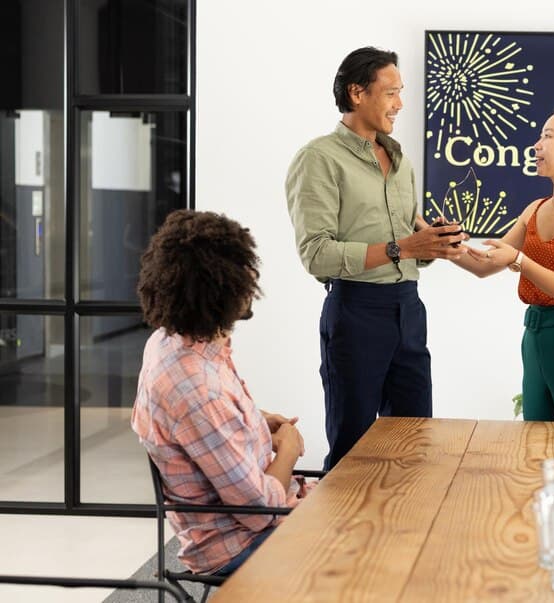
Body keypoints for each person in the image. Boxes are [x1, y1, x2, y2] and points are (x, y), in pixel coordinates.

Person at [285, 46, 466, 469]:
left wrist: (432, 243)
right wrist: (404, 247)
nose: (400, 103)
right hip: (356, 312)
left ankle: (404, 514)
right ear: (357, 93)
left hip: (409, 309)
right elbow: (316, 254)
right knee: (352, 449)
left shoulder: (402, 163)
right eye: (390, 93)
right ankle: (341, 515)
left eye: (400, 92)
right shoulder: (318, 159)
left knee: (414, 441)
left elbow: (406, 242)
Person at [131, 210, 308, 576]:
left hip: (255, 520)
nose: (252, 279)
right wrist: (288, 448)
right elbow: (260, 511)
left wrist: (256, 420)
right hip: (243, 543)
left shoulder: (171, 342)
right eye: (243, 271)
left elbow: (193, 429)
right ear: (218, 287)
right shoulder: (197, 388)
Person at [452, 106, 554, 422]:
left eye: (547, 136)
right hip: (535, 337)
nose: (536, 145)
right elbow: (484, 264)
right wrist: (438, 243)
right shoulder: (535, 209)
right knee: (539, 445)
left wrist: (519, 261)